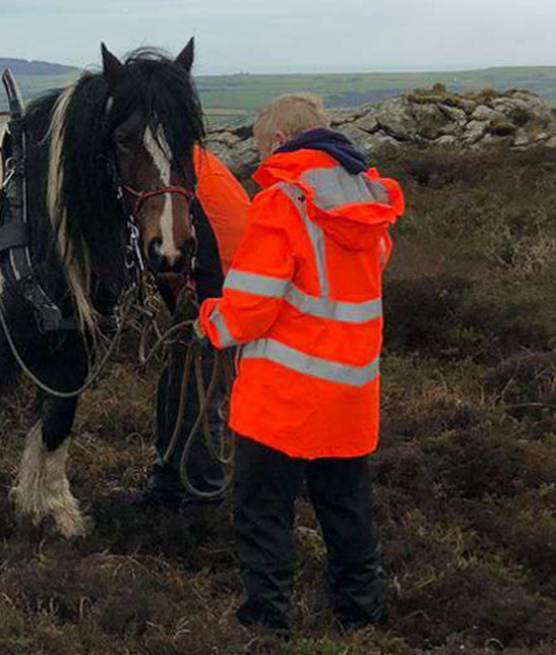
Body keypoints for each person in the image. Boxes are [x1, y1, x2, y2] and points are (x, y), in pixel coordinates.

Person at [197, 93, 404, 631]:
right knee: (347, 511)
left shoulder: (281, 202)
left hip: (282, 401)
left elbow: (249, 307)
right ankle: (359, 617)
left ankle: (266, 623)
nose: (262, 161)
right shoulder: (369, 201)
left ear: (282, 142)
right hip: (350, 397)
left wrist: (209, 321)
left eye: (264, 149)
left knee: (263, 512)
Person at [139, 145, 249, 509]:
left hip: (220, 292)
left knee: (199, 396)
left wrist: (206, 315)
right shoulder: (186, 161)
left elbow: (209, 242)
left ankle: (206, 496)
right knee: (177, 383)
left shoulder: (176, 171)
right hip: (219, 288)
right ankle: (169, 481)